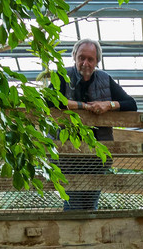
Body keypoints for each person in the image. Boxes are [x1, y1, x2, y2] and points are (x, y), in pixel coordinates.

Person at [53, 39, 137, 211]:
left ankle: (87, 236)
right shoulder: (62, 76)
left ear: (97, 61)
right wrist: (83, 106)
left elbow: (131, 104)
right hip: (68, 154)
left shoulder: (105, 79)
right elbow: (49, 100)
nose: (85, 63)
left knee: (90, 202)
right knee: (74, 201)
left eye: (90, 59)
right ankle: (73, 236)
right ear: (74, 57)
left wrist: (109, 105)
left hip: (96, 156)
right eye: (81, 58)